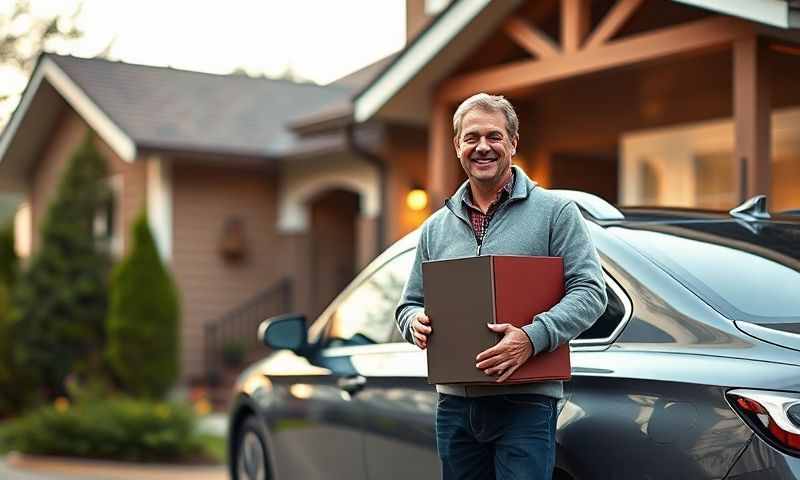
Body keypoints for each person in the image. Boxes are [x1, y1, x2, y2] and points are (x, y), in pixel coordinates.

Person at [395, 93, 608, 480]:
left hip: (525, 403)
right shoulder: (435, 228)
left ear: (512, 142)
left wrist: (531, 338)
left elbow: (591, 292)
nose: (483, 147)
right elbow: (408, 304)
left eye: (494, 136)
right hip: (454, 407)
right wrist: (414, 323)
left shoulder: (555, 213)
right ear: (457, 145)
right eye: (471, 137)